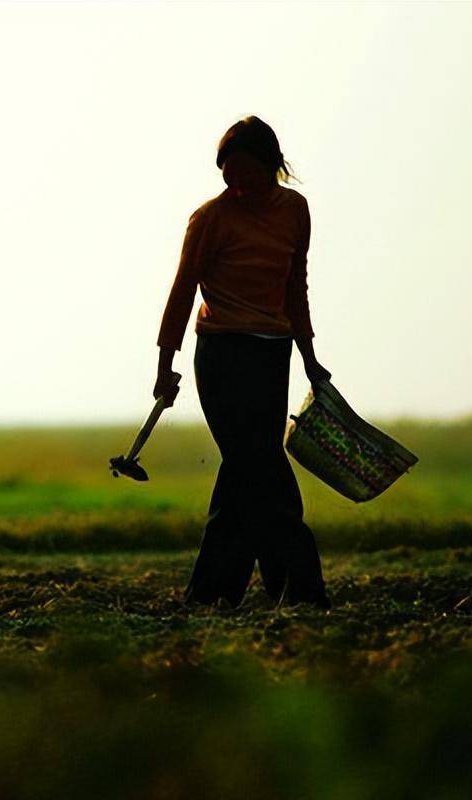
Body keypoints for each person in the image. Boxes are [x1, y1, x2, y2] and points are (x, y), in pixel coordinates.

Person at [154, 116, 330, 609]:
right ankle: (300, 586)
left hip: (272, 354)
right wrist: (166, 364)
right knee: (264, 469)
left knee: (243, 473)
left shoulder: (295, 210)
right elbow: (183, 290)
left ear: (273, 167)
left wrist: (311, 359)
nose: (238, 189)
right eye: (228, 179)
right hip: (223, 355)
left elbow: (296, 288)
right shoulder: (210, 218)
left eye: (247, 178)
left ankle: (212, 593)